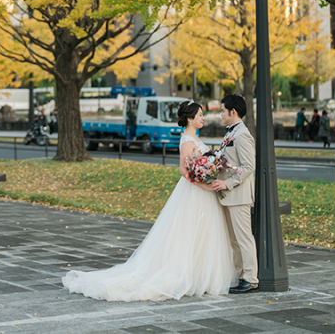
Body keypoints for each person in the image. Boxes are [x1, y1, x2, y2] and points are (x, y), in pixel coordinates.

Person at [62, 100, 237, 301]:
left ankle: (200, 273)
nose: (203, 118)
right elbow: (183, 169)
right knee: (189, 232)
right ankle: (187, 273)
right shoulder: (187, 140)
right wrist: (204, 183)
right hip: (194, 192)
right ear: (190, 119)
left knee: (201, 232)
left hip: (201, 192)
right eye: (199, 115)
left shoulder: (193, 138)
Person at [212, 94, 258, 294]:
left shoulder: (242, 135)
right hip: (229, 196)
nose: (221, 114)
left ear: (233, 112)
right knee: (233, 240)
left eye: (223, 110)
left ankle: (250, 278)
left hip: (239, 196)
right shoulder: (230, 133)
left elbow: (248, 167)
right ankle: (241, 277)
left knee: (243, 238)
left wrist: (227, 183)